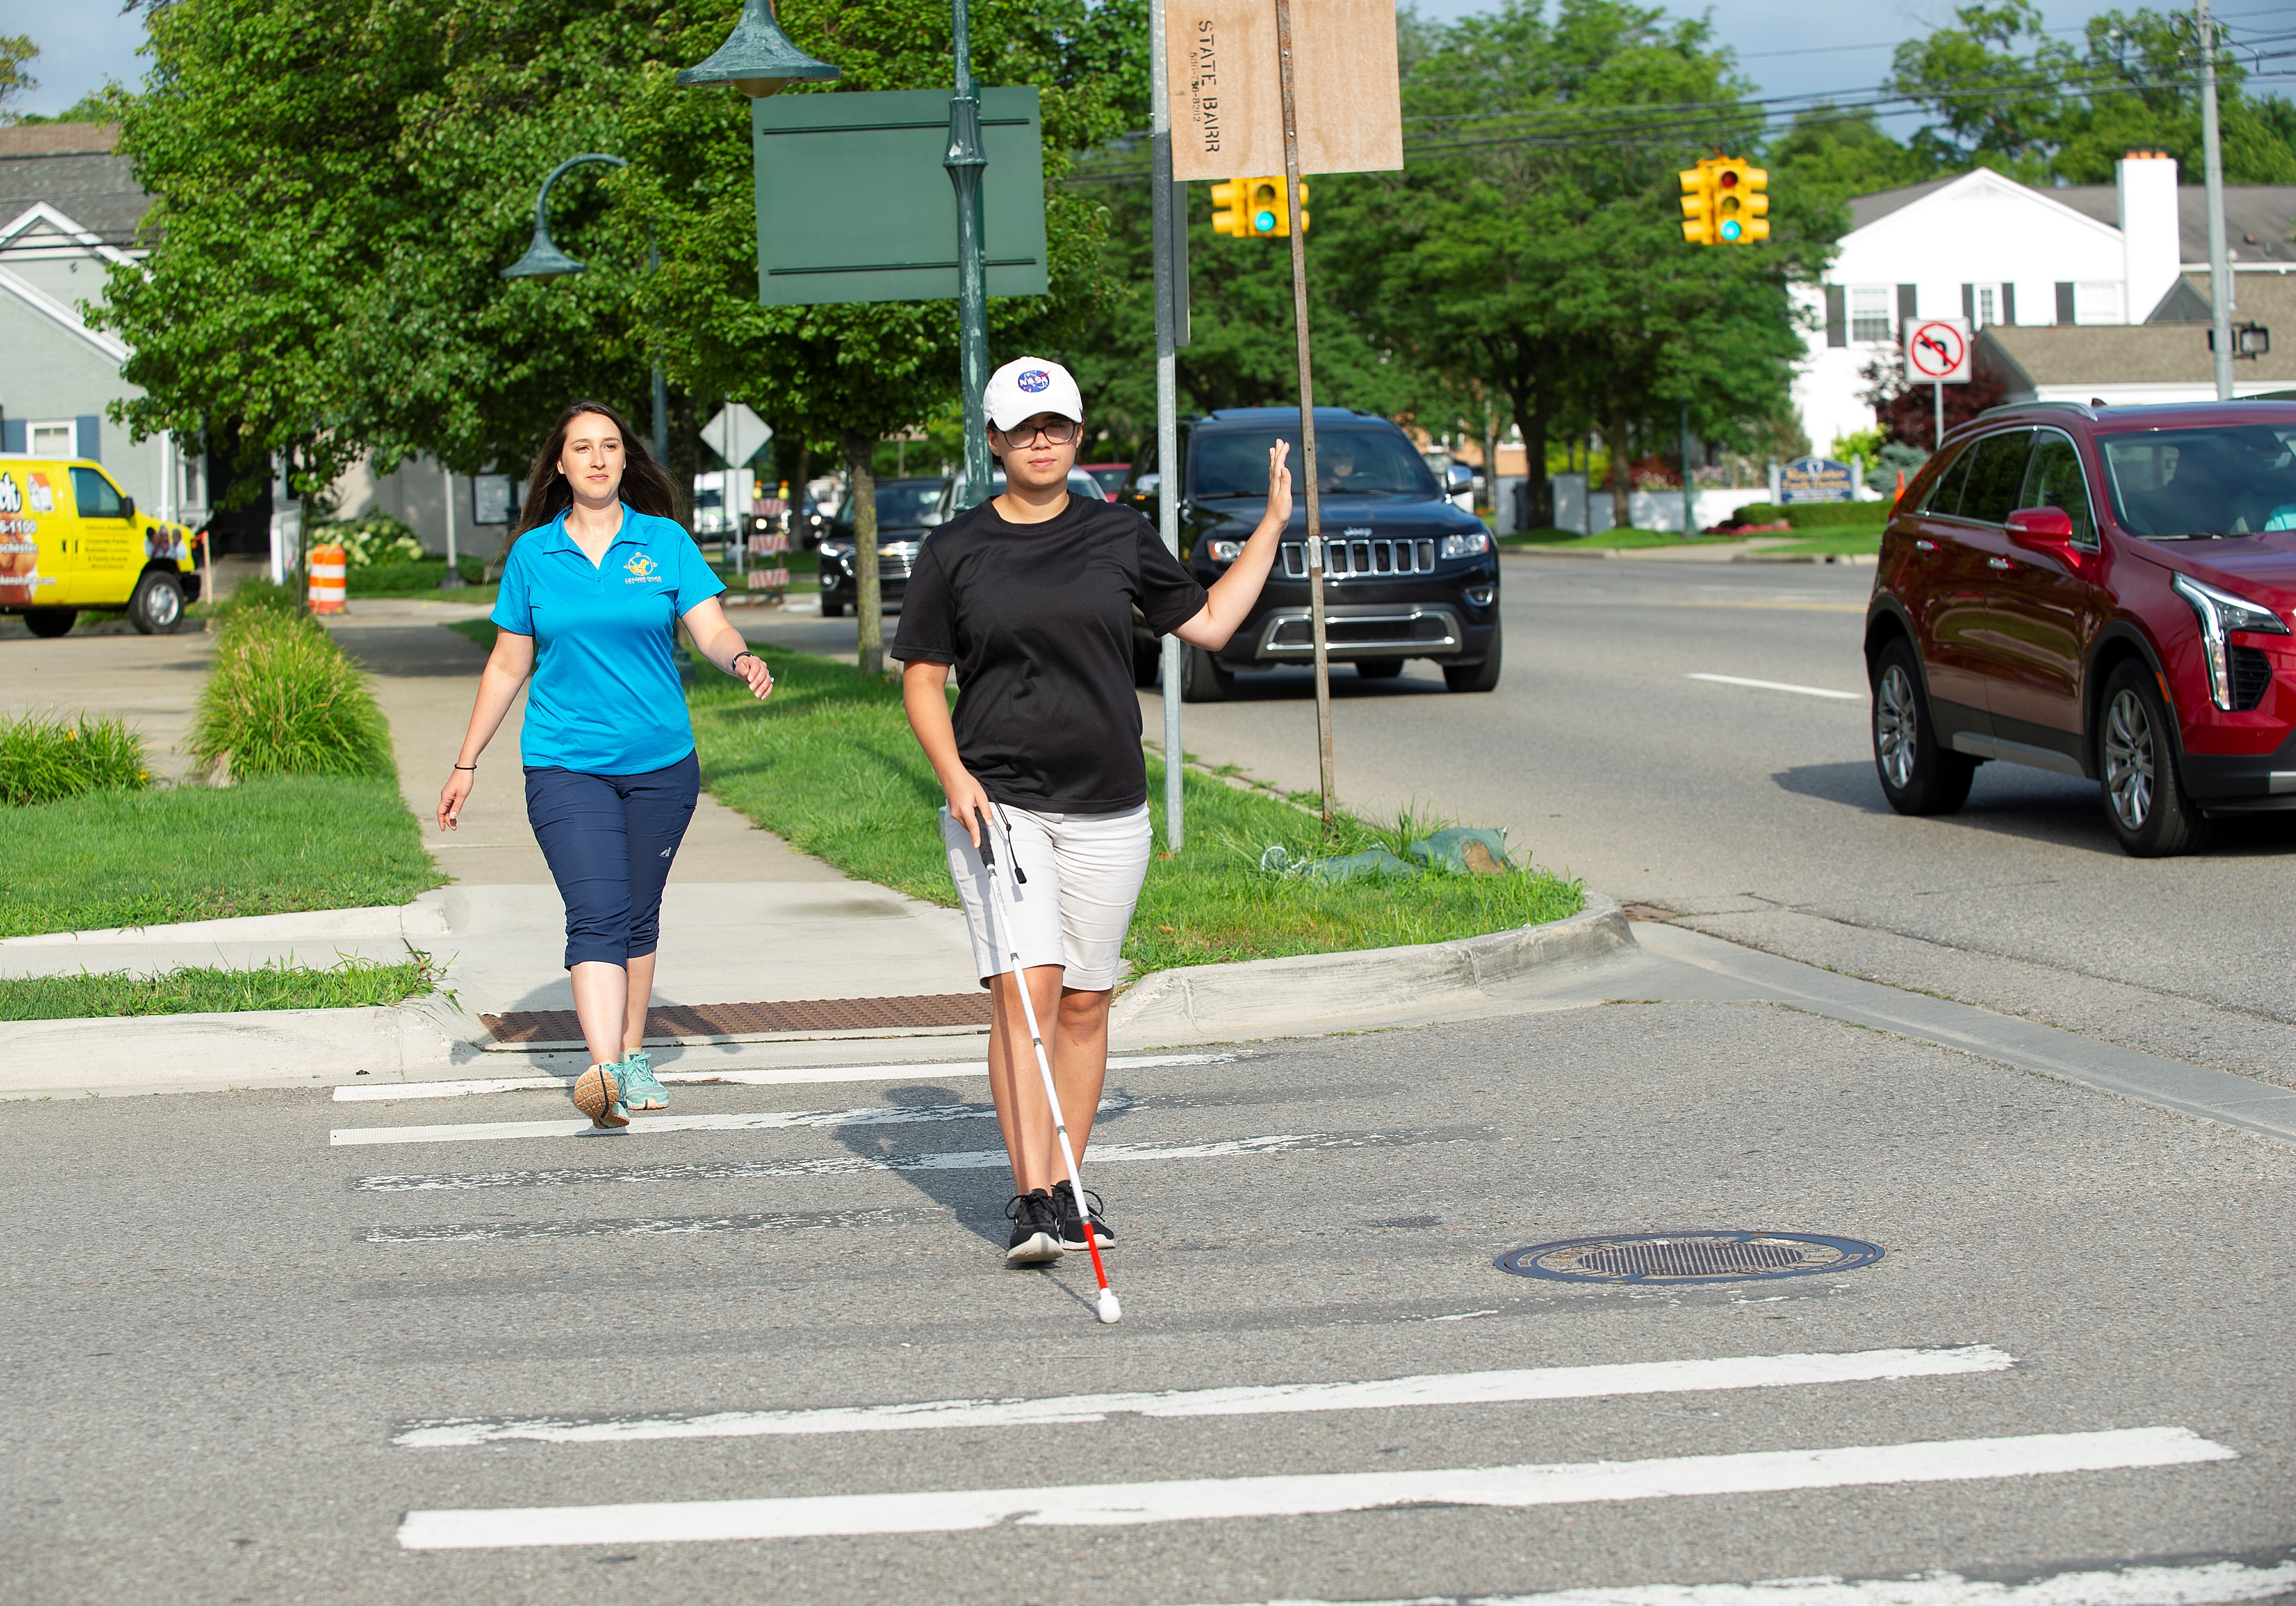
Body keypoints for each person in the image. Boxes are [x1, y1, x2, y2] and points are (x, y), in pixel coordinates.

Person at [891, 356, 1292, 1264]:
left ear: (1077, 437)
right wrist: (953, 777)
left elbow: (1209, 625)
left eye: (1057, 427)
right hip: (1000, 803)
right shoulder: (956, 550)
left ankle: (1070, 1186)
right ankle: (1032, 1197)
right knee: (1023, 996)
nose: (1041, 442)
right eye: (1023, 429)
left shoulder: (1119, 536)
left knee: (1082, 1002)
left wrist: (1269, 527)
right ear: (992, 441)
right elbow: (922, 679)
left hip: (1109, 806)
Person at [438, 399, 773, 1128]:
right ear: (559, 464)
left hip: (660, 762)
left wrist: (739, 656)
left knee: (637, 915)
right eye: (581, 447)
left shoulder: (665, 543)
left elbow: (709, 626)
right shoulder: (534, 556)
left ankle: (630, 1051)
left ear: (625, 460)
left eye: (610, 446)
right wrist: (467, 763)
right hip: (564, 762)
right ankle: (604, 1072)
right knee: (595, 910)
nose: (596, 458)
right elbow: (506, 664)